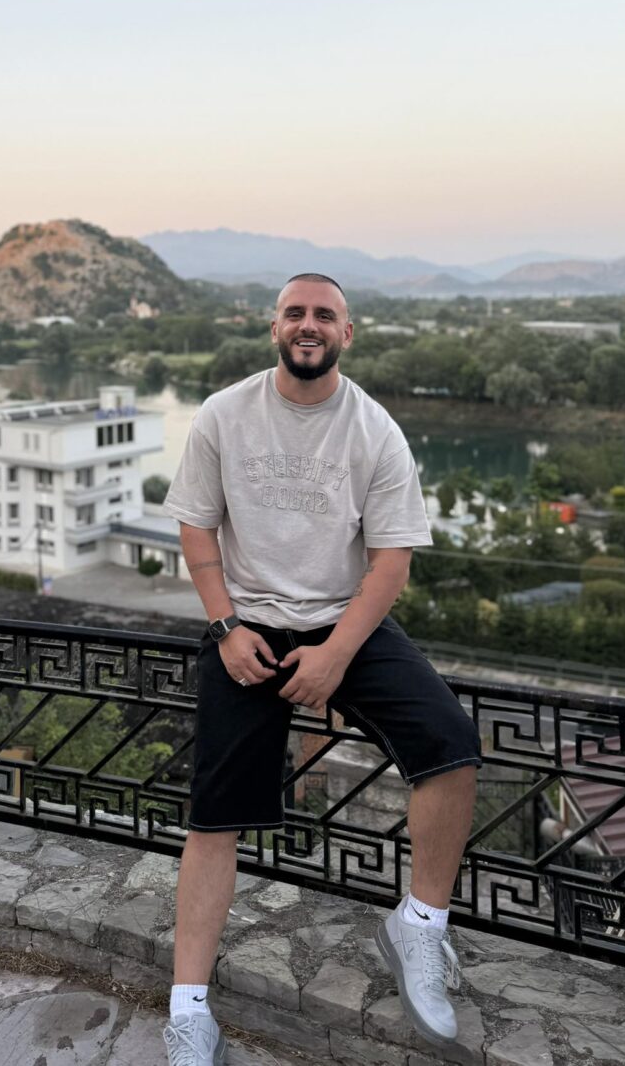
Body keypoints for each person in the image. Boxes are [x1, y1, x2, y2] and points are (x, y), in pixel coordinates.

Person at [161, 273, 480, 1066]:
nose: (310, 325)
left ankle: (419, 925)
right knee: (214, 815)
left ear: (347, 332)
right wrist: (226, 625)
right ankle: (188, 1010)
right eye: (296, 313)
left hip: (347, 620)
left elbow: (391, 562)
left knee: (451, 743)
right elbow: (197, 530)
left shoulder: (375, 430)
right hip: (246, 627)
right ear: (275, 326)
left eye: (325, 315)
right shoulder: (224, 414)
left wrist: (337, 653)